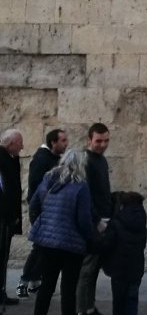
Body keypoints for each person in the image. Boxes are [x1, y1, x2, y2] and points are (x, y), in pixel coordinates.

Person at [28, 149, 94, 315]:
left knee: (47, 285)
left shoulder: (47, 180)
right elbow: (84, 219)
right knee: (68, 288)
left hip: (47, 242)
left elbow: (33, 204)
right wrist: (89, 237)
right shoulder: (81, 188)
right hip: (72, 244)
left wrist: (43, 224)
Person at [17, 128, 68, 299]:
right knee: (40, 246)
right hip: (41, 210)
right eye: (63, 141)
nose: (66, 144)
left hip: (49, 210)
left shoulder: (53, 158)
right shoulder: (42, 159)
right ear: (53, 142)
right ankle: (24, 282)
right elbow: (38, 187)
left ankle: (34, 282)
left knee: (45, 247)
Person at [76, 122, 113, 315]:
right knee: (87, 271)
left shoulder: (101, 160)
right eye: (99, 141)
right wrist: (96, 220)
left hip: (104, 221)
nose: (103, 145)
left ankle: (89, 307)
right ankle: (83, 309)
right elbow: (85, 195)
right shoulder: (86, 161)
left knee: (94, 270)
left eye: (106, 140)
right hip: (93, 223)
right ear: (89, 140)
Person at [99, 192, 147, 315]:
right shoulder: (141, 223)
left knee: (119, 302)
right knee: (132, 300)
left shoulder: (116, 222)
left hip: (119, 269)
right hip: (136, 268)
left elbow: (107, 245)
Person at [0, 128, 24, 307]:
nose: (22, 147)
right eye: (19, 143)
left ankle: (1, 292)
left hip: (7, 219)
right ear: (10, 144)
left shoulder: (11, 159)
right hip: (2, 219)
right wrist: (9, 216)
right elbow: (3, 191)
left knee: (3, 257)